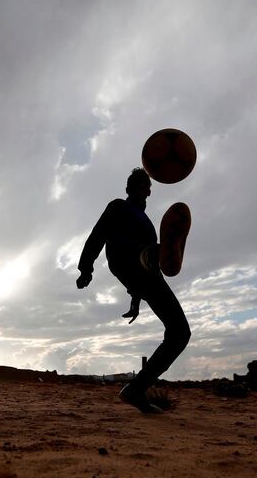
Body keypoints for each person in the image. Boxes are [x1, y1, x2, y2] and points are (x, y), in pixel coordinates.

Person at [76, 168, 191, 414]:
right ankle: (136, 389)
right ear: (129, 188)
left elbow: (146, 263)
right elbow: (97, 236)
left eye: (147, 185)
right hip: (131, 267)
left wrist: (136, 296)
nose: (145, 189)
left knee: (179, 333)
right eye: (139, 184)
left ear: (149, 190)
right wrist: (86, 268)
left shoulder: (146, 221)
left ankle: (136, 389)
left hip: (146, 275)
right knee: (180, 331)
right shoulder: (119, 207)